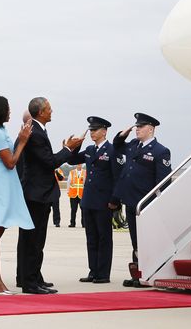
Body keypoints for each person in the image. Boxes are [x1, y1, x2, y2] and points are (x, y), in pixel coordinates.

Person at [17, 97, 83, 294]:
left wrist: (68, 149)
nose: (52, 111)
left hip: (39, 192)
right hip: (37, 193)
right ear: (41, 112)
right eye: (49, 108)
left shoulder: (39, 130)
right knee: (34, 240)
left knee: (36, 240)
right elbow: (49, 162)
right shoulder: (36, 133)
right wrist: (68, 149)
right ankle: (30, 282)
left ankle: (34, 277)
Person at [0, 95, 34, 295]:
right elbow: (10, 162)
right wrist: (22, 142)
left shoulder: (0, 131)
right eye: (7, 108)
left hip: (3, 181)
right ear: (0, 110)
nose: (10, 111)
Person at [111, 113, 172, 288]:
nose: (137, 129)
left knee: (146, 241)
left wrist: (155, 204)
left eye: (141, 126)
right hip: (130, 201)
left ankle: (149, 273)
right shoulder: (133, 145)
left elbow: (163, 182)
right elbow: (117, 146)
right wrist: (122, 135)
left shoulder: (160, 151)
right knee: (136, 241)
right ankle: (138, 274)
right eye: (136, 126)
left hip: (145, 204)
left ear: (151, 129)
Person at [70, 117, 121, 284]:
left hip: (104, 201)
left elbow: (117, 177)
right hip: (88, 200)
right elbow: (71, 160)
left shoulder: (112, 150)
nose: (92, 132)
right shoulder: (90, 149)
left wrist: (114, 200)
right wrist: (77, 145)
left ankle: (103, 273)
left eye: (95, 130)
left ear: (104, 131)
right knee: (91, 238)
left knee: (104, 238)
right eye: (91, 130)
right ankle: (93, 271)